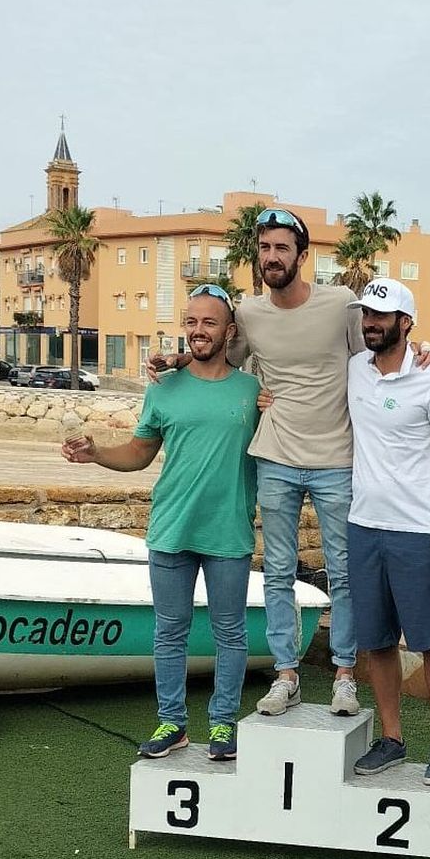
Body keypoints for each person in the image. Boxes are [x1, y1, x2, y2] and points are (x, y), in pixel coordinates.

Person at [152, 208, 430, 721]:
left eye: (283, 248)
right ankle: (287, 676)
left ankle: (345, 677)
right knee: (278, 572)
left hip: (336, 461)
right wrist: (173, 360)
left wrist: (423, 351)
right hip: (276, 458)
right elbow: (218, 356)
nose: (272, 257)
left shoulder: (342, 307)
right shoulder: (250, 313)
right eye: (265, 248)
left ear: (303, 256)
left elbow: (377, 351)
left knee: (344, 575)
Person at [64, 284, 260, 761]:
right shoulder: (163, 388)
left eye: (209, 322)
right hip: (171, 528)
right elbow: (138, 453)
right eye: (191, 322)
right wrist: (95, 456)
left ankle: (222, 725)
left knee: (230, 633)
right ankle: (172, 723)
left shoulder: (254, 393)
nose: (198, 331)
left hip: (229, 531)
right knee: (169, 631)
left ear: (228, 331)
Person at [343, 278, 430, 787]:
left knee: (429, 642)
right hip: (363, 527)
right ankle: (393, 739)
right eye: (366, 315)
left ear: (405, 322)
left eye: (381, 315)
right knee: (376, 642)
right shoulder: (357, 368)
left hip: (418, 532)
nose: (371, 323)